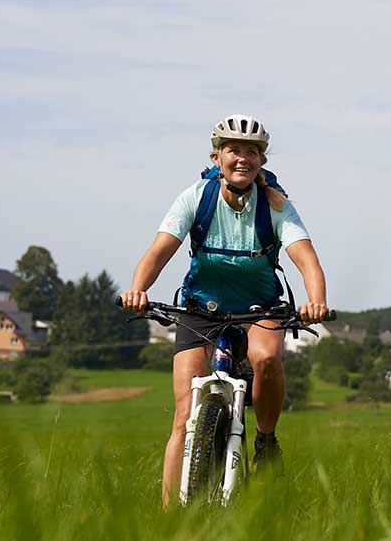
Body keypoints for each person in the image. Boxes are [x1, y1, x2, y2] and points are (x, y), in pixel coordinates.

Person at [121, 116, 329, 506]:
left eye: (252, 152)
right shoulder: (196, 198)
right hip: (201, 309)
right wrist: (138, 289)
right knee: (184, 418)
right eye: (234, 150)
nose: (242, 159)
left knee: (266, 358)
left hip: (259, 308)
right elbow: (159, 251)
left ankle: (265, 440)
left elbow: (307, 261)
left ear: (261, 161)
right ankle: (168, 518)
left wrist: (315, 300)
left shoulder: (276, 205)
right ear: (217, 157)